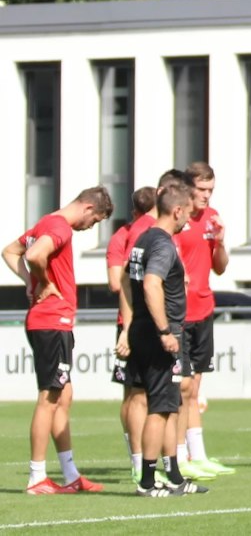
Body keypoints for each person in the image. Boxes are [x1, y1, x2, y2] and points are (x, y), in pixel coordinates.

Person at [6, 185, 113, 494]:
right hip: (51, 321)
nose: (90, 227)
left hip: (51, 321)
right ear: (89, 209)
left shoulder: (47, 222)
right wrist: (44, 282)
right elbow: (34, 254)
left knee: (63, 396)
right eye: (94, 221)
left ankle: (70, 474)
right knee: (49, 397)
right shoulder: (60, 227)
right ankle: (37, 477)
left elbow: (10, 251)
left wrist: (30, 282)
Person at [125, 181, 204, 498]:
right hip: (159, 335)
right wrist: (164, 331)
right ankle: (146, 482)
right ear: (177, 210)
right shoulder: (162, 244)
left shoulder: (143, 239)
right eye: (188, 213)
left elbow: (127, 281)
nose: (189, 220)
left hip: (142, 330)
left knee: (170, 406)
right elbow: (151, 284)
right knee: (159, 408)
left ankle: (174, 477)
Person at [173, 163, 232, 480]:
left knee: (194, 388)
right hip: (180, 315)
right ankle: (179, 454)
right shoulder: (177, 218)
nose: (207, 196)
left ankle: (198, 455)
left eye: (211, 190)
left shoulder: (212, 218)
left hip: (204, 311)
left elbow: (220, 268)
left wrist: (220, 242)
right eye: (202, 189)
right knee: (182, 387)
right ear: (188, 188)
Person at [107, 186, 156, 482]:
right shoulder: (137, 233)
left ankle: (138, 459)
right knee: (137, 394)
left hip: (135, 322)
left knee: (135, 393)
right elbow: (118, 281)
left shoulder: (122, 234)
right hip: (133, 322)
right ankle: (138, 460)